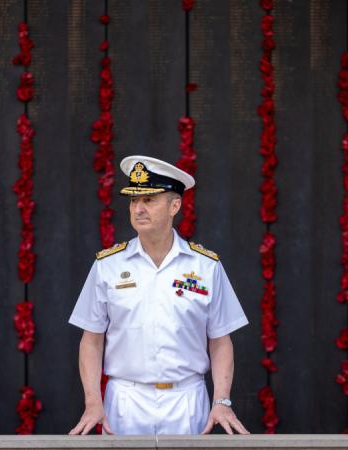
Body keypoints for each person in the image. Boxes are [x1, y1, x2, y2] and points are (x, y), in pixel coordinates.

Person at [68, 155, 250, 435]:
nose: (138, 209)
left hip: (187, 399)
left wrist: (221, 401)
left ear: (174, 205)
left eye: (149, 200)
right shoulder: (108, 266)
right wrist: (93, 402)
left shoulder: (205, 266)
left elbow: (220, 340)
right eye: (133, 201)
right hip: (126, 400)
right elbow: (91, 340)